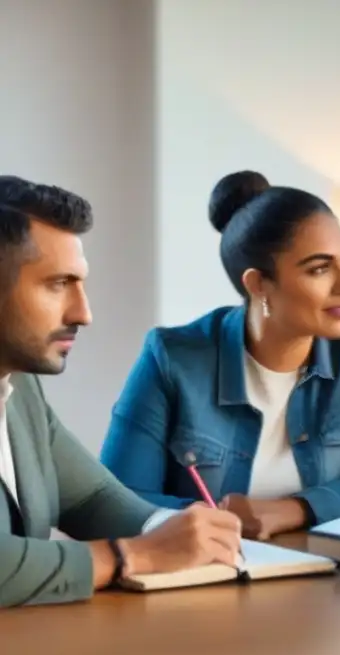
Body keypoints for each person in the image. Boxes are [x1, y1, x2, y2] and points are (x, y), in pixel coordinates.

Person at [99, 171, 340, 545]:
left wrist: (291, 510)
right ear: (258, 284)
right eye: (320, 269)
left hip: (333, 578)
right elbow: (118, 502)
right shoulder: (172, 358)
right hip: (205, 579)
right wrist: (220, 521)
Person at [0, 176, 243, 609]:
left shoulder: (18, 387)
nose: (84, 313)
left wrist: (175, 529)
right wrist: (135, 555)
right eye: (58, 284)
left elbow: (90, 496)